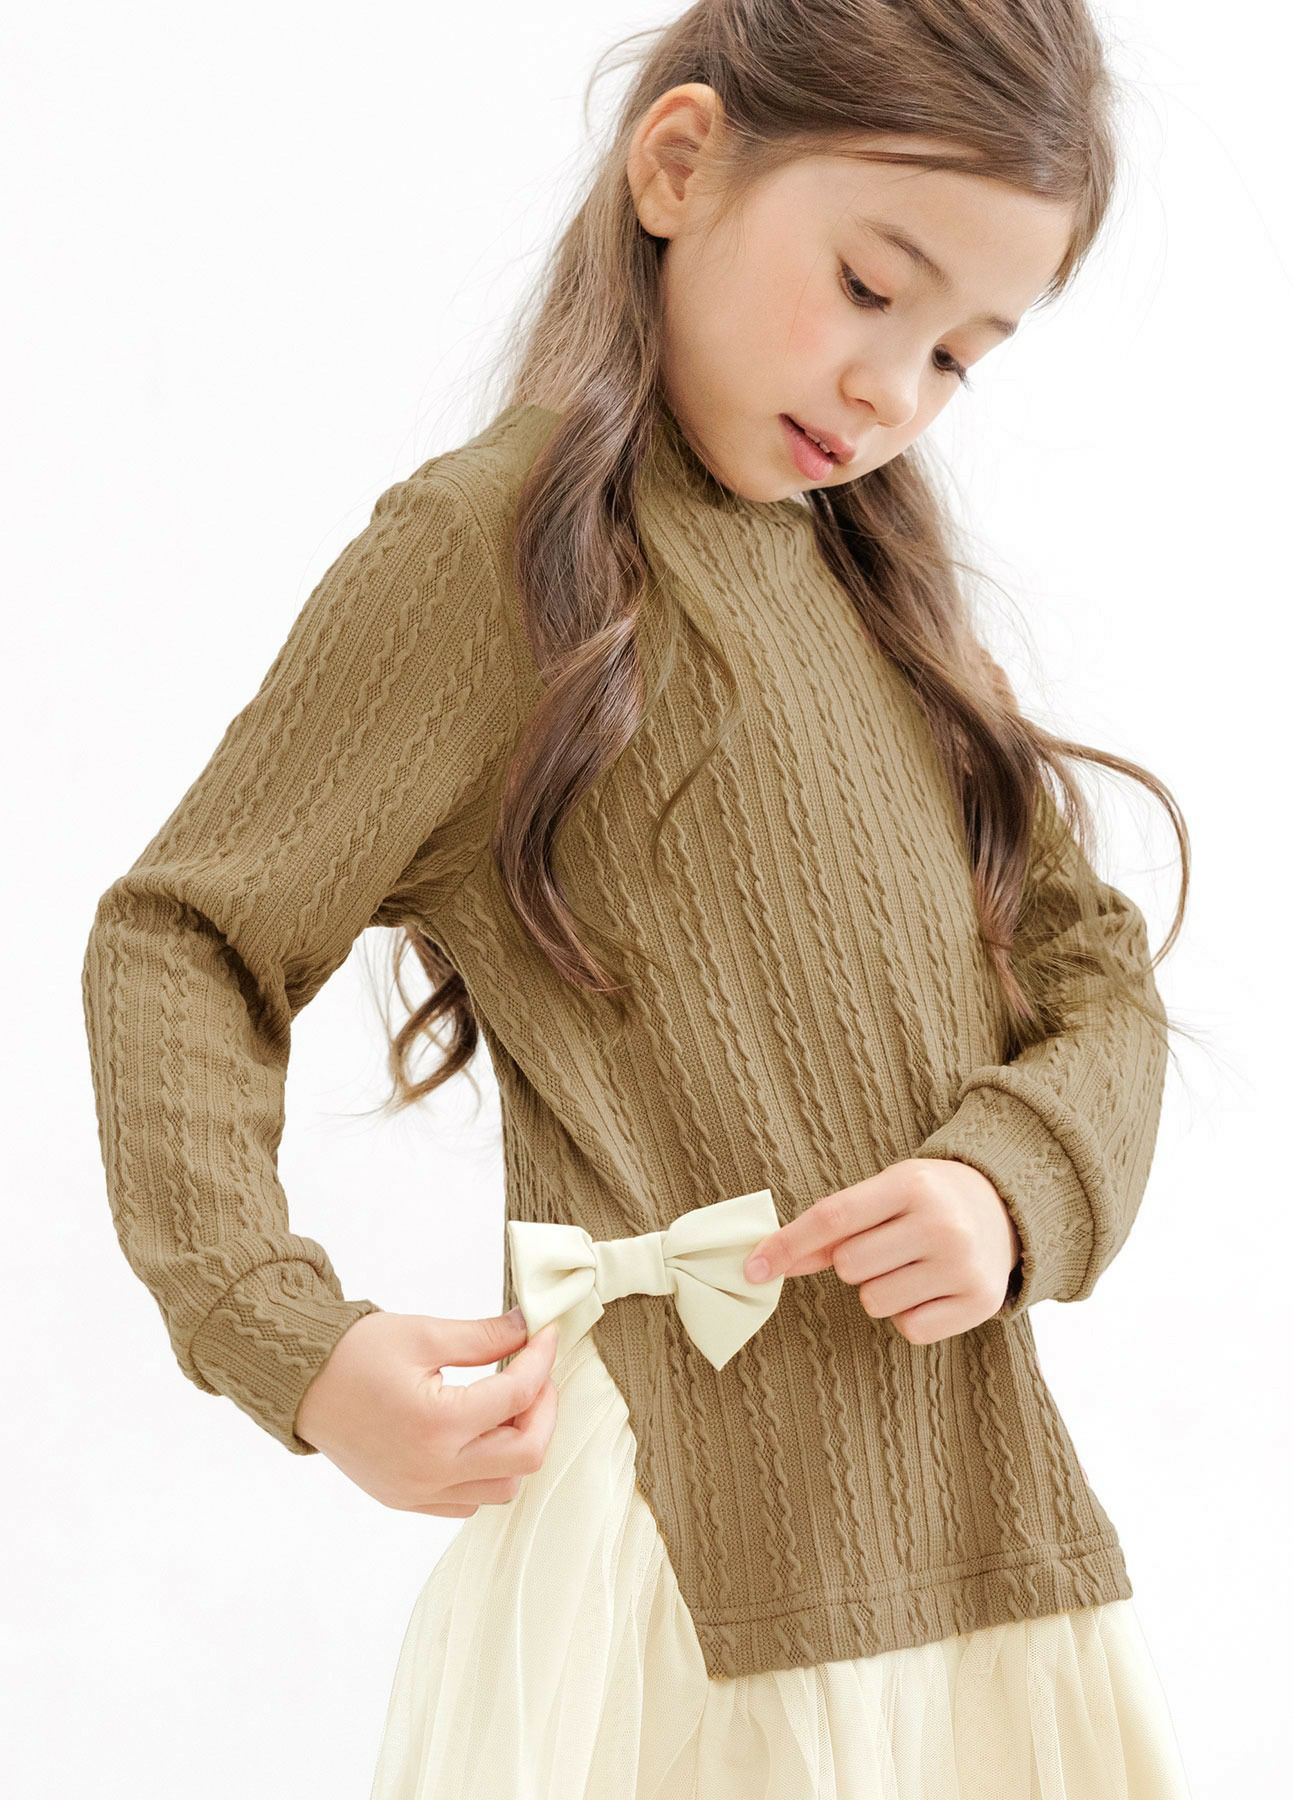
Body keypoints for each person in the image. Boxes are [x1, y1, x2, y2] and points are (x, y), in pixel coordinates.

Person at [80, 3, 1200, 1794]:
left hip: (973, 1527)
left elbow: (1094, 971)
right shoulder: (489, 559)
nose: (892, 392)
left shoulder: (881, 592)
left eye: (957, 356)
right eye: (868, 287)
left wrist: (1016, 1181)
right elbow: (184, 940)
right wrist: (291, 1341)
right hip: (684, 1557)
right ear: (679, 165)